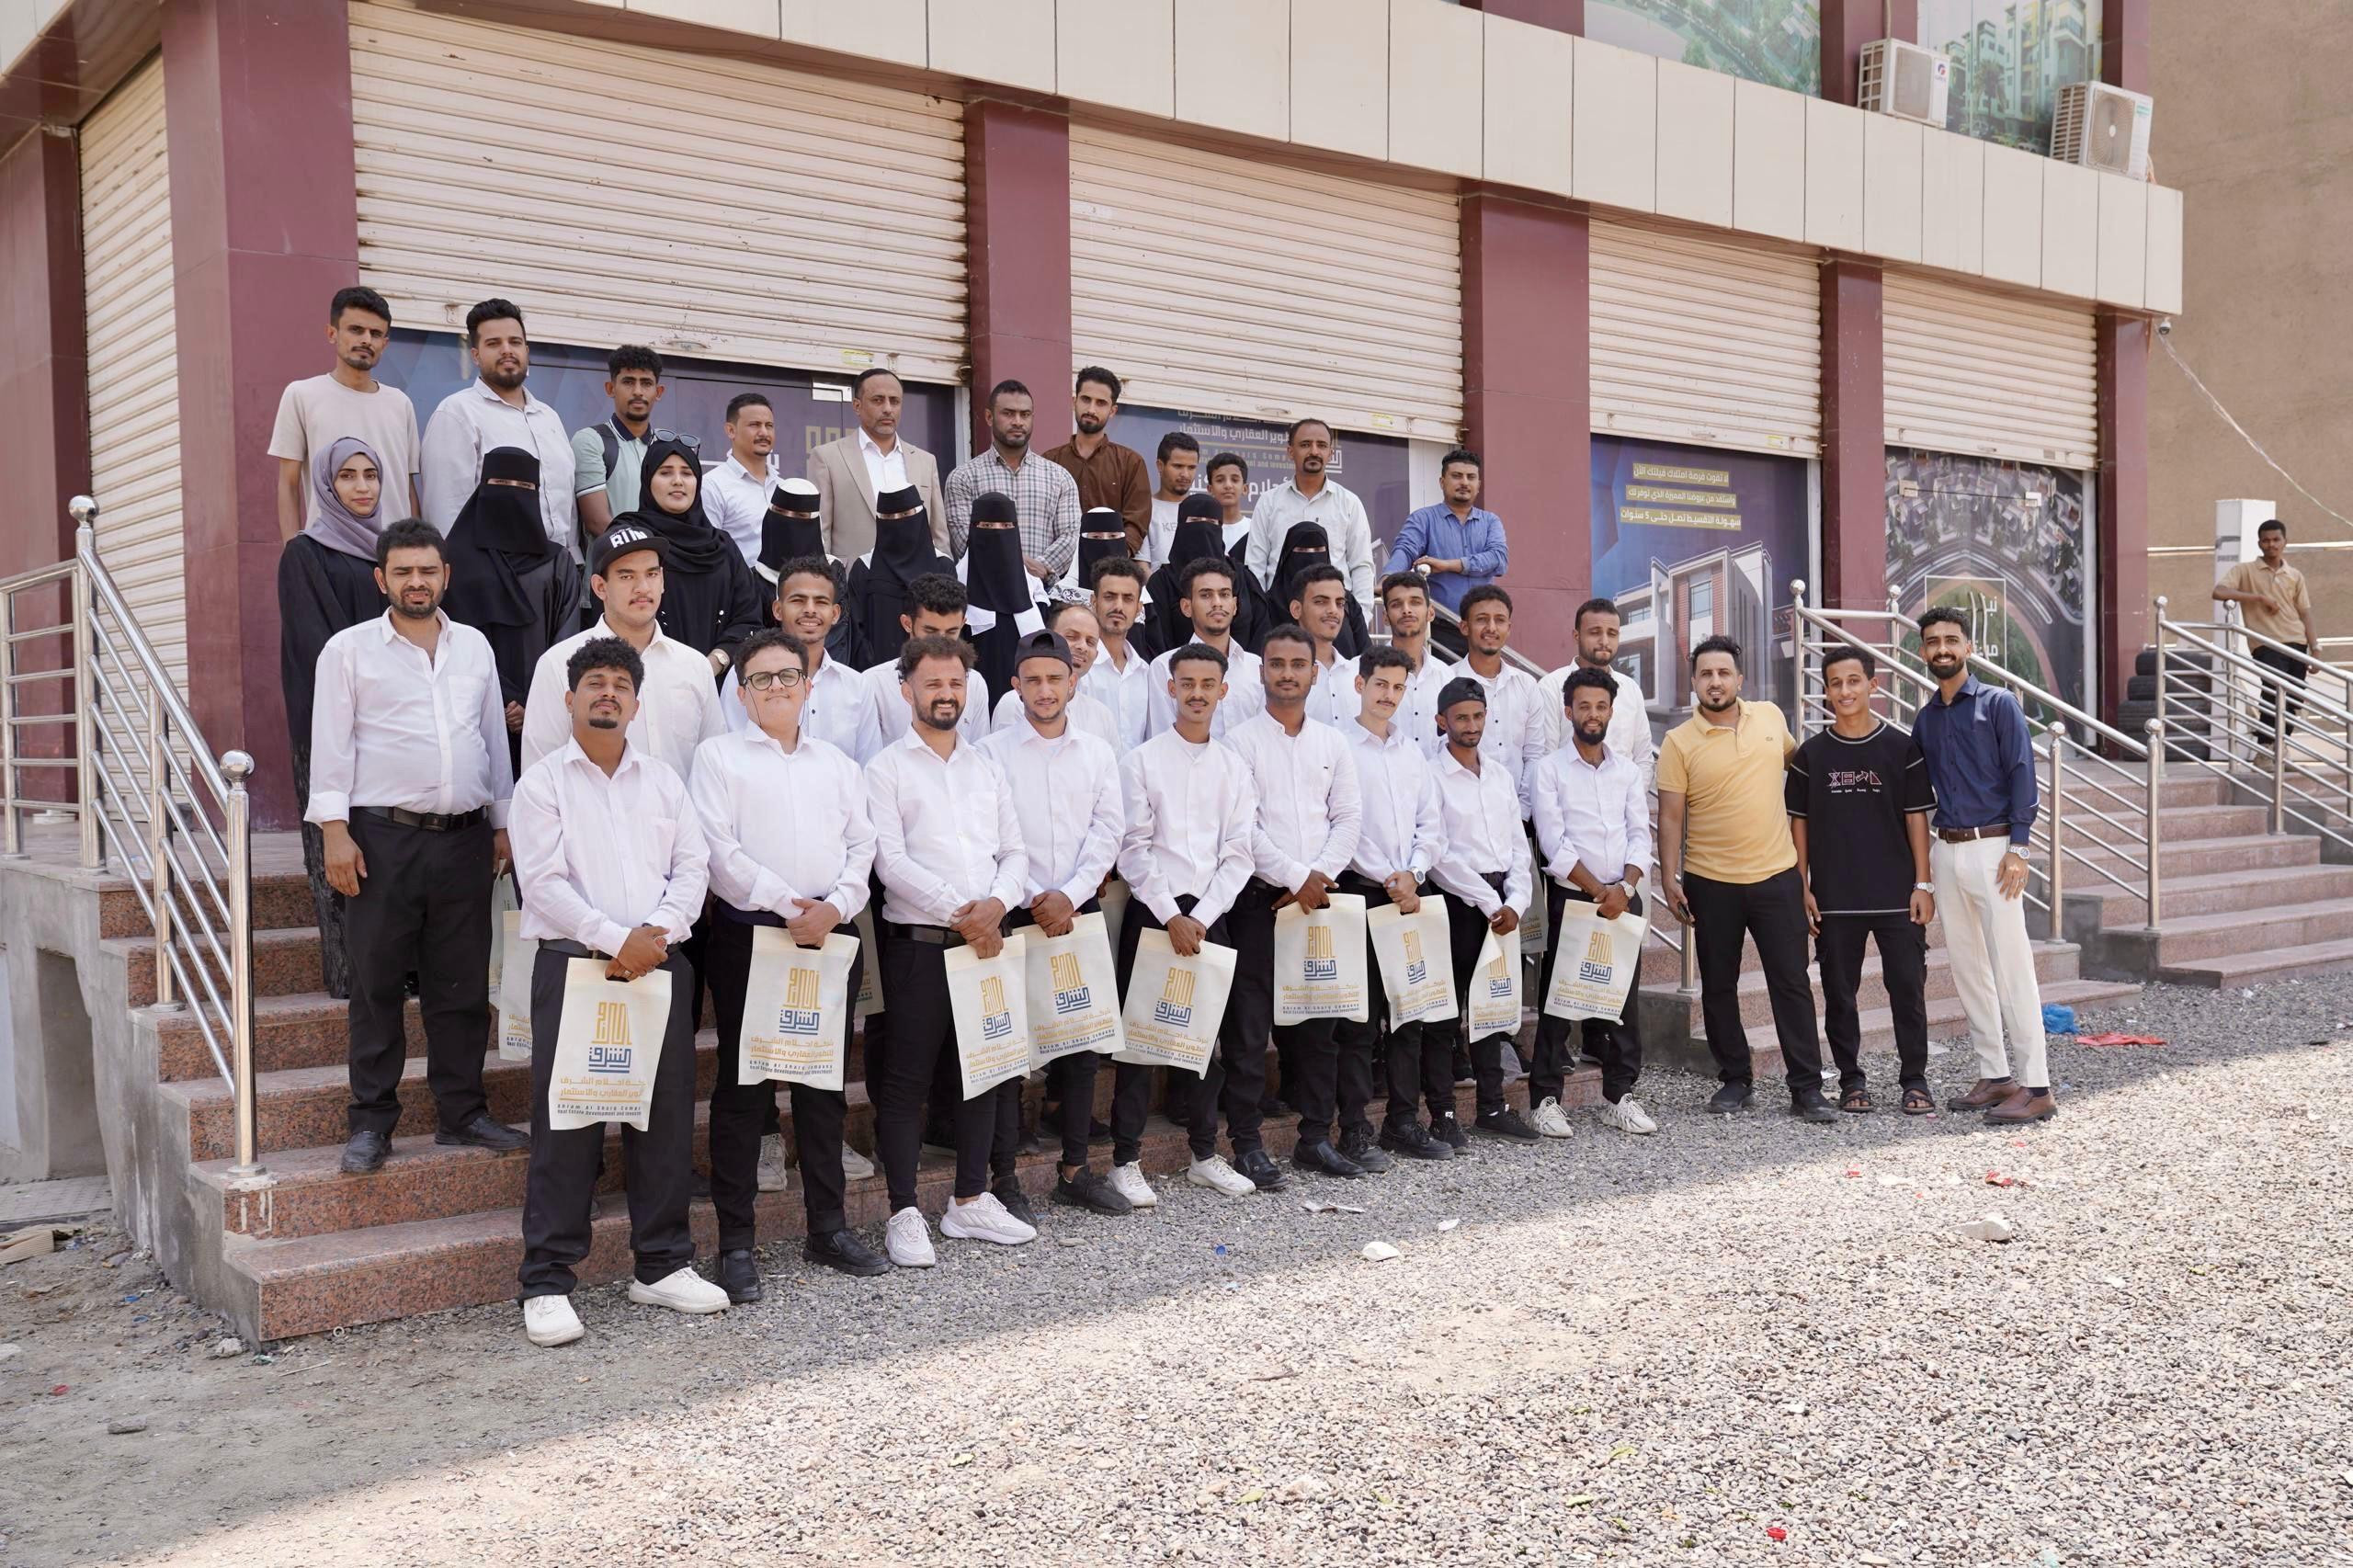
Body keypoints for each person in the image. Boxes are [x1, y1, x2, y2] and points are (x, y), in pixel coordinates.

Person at [510, 636, 723, 1346]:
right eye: (594, 683)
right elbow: (542, 883)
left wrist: (655, 934)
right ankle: (546, 1280)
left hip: (657, 964)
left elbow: (693, 866)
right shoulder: (542, 783)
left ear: (636, 701)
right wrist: (614, 938)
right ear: (570, 698)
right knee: (567, 1127)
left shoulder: (663, 781)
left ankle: (660, 1264)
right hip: (577, 967)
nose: (608, 693)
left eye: (620, 685)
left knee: (663, 1120)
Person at [305, 518, 526, 1176]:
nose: (417, 582)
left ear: (445, 575)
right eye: (403, 571)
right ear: (382, 579)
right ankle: (371, 1122)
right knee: (376, 985)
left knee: (461, 986)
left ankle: (462, 1114)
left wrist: (503, 822)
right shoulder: (347, 651)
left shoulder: (475, 647)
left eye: (427, 570)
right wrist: (334, 831)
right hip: (382, 840)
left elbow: (492, 741)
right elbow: (330, 745)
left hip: (464, 841)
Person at [690, 629, 888, 1301]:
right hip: (752, 937)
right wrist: (786, 905)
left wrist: (833, 908)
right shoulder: (718, 758)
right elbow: (719, 851)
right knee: (744, 1091)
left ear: (807, 687)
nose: (775, 687)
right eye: (761, 679)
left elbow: (862, 846)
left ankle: (827, 1229)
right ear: (742, 693)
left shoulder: (837, 764)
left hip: (829, 935)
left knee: (822, 1086)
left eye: (787, 677)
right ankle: (736, 1244)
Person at [865, 634, 1039, 1265]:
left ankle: (970, 1199)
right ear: (906, 689)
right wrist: (962, 914)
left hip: (985, 944)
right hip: (918, 948)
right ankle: (903, 1211)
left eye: (956, 684)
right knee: (905, 1082)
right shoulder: (885, 769)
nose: (946, 694)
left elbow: (1014, 851)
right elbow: (889, 861)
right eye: (933, 683)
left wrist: (997, 904)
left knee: (983, 1073)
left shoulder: (985, 766)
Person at [979, 629, 1133, 1218]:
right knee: (1008, 1048)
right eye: (1033, 680)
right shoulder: (991, 753)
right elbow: (991, 834)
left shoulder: (1095, 752)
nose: (1045, 690)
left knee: (1080, 1042)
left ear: (1073, 682)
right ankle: (1004, 1179)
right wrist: (1028, 897)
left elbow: (1107, 829)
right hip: (1012, 910)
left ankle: (1075, 1169)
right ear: (1015, 686)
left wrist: (1069, 895)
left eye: (1055, 678)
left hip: (1076, 909)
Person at [1657, 637, 1835, 1122]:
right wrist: (1669, 878)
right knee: (1718, 986)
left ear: (1740, 679)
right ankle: (1735, 1078)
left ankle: (1807, 1087)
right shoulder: (1678, 742)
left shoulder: (1770, 718)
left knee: (1791, 983)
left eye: (1723, 673)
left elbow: (1801, 772)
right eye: (1705, 674)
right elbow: (1670, 817)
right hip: (1710, 882)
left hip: (1777, 877)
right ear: (1694, 682)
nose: (1715, 682)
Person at [1112, 642, 1259, 1202]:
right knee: (1140, 1043)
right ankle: (1125, 1160)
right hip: (1155, 912)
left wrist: (1199, 917)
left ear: (1223, 691)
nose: (1198, 694)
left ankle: (1204, 1154)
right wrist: (1171, 914)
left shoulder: (1233, 767)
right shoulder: (1142, 761)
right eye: (1187, 684)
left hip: (1209, 916)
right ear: (1171, 688)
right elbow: (1134, 848)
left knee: (1204, 1041)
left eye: (1208, 685)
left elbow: (1239, 854)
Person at [1225, 626, 1365, 1180]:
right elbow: (1243, 827)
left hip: (1317, 901)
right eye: (1277, 664)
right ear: (1262, 670)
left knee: (1319, 1026)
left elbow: (1348, 818)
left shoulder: (1333, 743)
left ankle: (1314, 1137)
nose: (1287, 673)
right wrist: (1294, 877)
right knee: (1249, 1026)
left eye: (1297, 665)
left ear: (1314, 672)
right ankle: (1246, 1142)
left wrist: (1317, 878)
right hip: (1258, 900)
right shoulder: (1238, 742)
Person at [1914, 608, 2057, 1125]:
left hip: (1996, 851)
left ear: (1968, 647)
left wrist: (2020, 847)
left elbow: (2023, 774)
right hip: (1946, 850)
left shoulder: (1999, 704)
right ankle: (1996, 1074)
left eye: (1951, 640)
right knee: (1968, 968)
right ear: (1923, 651)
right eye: (1933, 641)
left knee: (2012, 967)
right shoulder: (1926, 719)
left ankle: (2037, 1087)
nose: (1942, 649)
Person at [1787, 645, 1937, 1117]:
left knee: (1908, 990)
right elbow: (1799, 825)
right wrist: (1803, 885)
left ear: (1873, 685)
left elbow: (1916, 818)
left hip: (1897, 895)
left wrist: (1924, 883)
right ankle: (1851, 1080)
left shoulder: (1902, 748)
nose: (1845, 691)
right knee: (1839, 995)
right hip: (1835, 897)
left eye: (1854, 681)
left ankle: (1915, 1079)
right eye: (1836, 683)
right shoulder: (1811, 755)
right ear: (1826, 691)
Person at [278, 437, 392, 1000]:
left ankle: (397, 969)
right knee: (339, 854)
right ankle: (350, 975)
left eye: (371, 475)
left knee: (386, 857)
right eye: (347, 476)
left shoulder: (391, 552)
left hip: (390, 732)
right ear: (325, 484)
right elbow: (313, 645)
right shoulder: (305, 553)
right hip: (328, 731)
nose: (362, 486)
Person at [1529, 668, 1657, 1137]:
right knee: (1559, 1000)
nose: (1593, 714)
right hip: (1575, 898)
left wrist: (1625, 888)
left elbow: (1640, 836)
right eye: (1584, 706)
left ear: (1611, 712)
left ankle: (1619, 1096)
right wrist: (1600, 893)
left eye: (1601, 706)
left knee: (1622, 1001)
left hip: (1624, 897)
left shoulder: (1627, 771)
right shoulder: (1549, 769)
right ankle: (1544, 1100)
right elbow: (1553, 843)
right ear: (1568, 712)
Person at [1337, 645, 1453, 1165]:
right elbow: (1342, 825)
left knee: (1411, 1014)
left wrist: (1415, 873)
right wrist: (1390, 877)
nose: (1388, 695)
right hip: (1363, 892)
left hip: (1411, 894)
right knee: (1360, 1022)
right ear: (1359, 684)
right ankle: (1354, 1128)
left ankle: (1403, 1122)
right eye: (1380, 684)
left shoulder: (1412, 754)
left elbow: (1432, 824)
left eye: (1398, 687)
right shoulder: (1340, 748)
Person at [520, 523, 725, 779]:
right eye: (627, 576)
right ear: (600, 587)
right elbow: (539, 773)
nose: (643, 587)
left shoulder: (694, 665)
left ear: (663, 580)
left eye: (652, 574)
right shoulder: (559, 663)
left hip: (682, 807)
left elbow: (714, 768)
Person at [1430, 677, 1535, 1145]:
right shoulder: (1431, 776)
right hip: (1456, 902)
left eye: (1477, 716)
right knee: (1443, 1013)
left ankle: (1493, 1106)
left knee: (1491, 1010)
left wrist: (1516, 901)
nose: (1470, 725)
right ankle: (1442, 1113)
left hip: (1501, 903)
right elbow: (1438, 854)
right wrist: (1490, 902)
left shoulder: (1498, 775)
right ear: (1442, 721)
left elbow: (1517, 846)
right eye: (1461, 718)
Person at [441, 448, 583, 777]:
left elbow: (568, 639)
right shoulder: (452, 562)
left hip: (545, 711)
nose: (512, 494)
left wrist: (534, 703)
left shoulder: (556, 562)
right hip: (471, 708)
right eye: (501, 483)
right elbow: (449, 635)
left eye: (524, 487)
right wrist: (503, 700)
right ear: (483, 488)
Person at [419, 299, 578, 558]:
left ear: (526, 350)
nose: (507, 350)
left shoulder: (549, 418)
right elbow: (445, 512)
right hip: (497, 569)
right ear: (475, 355)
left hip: (560, 568)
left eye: (515, 342)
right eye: (494, 343)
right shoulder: (457, 413)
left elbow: (566, 504)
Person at [269, 285, 420, 541]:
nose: (366, 340)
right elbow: (288, 484)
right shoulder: (302, 395)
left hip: (395, 552)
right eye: (356, 330)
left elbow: (407, 488)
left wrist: (416, 549)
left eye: (375, 333)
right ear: (332, 333)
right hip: (329, 549)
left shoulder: (400, 403)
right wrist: (293, 554)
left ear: (384, 344)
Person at [630, 437, 767, 671]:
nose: (678, 481)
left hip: (716, 682)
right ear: (647, 480)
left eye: (687, 473)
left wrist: (713, 664)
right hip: (645, 678)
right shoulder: (630, 540)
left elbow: (748, 618)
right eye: (665, 473)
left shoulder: (722, 546)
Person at [722, 555, 875, 756]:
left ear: (835, 614)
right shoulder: (744, 674)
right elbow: (730, 752)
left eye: (821, 602)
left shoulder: (857, 687)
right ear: (778, 609)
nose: (810, 610)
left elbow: (866, 764)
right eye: (798, 600)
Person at [945, 381, 1082, 583]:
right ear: (989, 417)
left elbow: (1071, 536)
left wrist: (1041, 567)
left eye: (1025, 414)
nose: (1018, 422)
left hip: (1042, 593)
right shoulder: (964, 478)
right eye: (1008, 413)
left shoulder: (1059, 477)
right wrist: (1020, 567)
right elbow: (964, 542)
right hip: (983, 592)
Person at [805, 368, 949, 559]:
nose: (888, 409)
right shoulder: (827, 457)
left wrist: (943, 573)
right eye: (878, 400)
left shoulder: (925, 461)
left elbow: (939, 536)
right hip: (854, 575)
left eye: (894, 401)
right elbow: (819, 533)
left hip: (919, 575)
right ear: (857, 406)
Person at [1245, 419, 1376, 619]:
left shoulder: (1349, 503)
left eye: (1321, 445)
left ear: (1331, 453)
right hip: (1279, 616)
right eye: (1305, 444)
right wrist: (1261, 618)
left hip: (1336, 617)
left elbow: (1362, 566)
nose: (1314, 451)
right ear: (1290, 451)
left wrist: (1360, 619)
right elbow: (1255, 566)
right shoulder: (1269, 502)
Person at [853, 574, 992, 760]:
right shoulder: (873, 684)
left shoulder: (975, 683)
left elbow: (978, 757)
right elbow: (869, 760)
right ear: (907, 623)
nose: (941, 642)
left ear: (963, 624)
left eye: (951, 632)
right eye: (931, 631)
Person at [2213, 517, 2319, 749]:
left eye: (2276, 540)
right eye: (2266, 540)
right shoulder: (2245, 570)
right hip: (2266, 644)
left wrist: (2316, 648)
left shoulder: (2294, 575)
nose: (2271, 544)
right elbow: (2219, 592)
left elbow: (2305, 613)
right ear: (2259, 543)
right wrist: (2258, 598)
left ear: (2285, 542)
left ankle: (2280, 748)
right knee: (2274, 692)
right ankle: (2265, 748)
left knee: (2293, 698)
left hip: (2297, 641)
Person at [1539, 598, 1655, 793]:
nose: (1604, 641)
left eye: (1612, 634)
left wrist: (1630, 801)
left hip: (1623, 806)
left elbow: (1643, 758)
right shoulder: (1551, 686)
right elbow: (1545, 756)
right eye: (1595, 633)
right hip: (1569, 803)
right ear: (1576, 636)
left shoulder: (1630, 689)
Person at [1385, 449, 1507, 632]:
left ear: (1479, 484)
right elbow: (1405, 549)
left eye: (1471, 477)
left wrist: (1448, 565)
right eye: (1457, 476)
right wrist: (1388, 579)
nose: (1464, 482)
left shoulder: (1491, 521)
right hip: (1441, 628)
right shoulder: (1424, 519)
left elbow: (1498, 559)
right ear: (1442, 482)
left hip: (1483, 628)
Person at [1145, 558, 1265, 739]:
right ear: (1186, 607)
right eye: (1206, 595)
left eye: (1224, 594)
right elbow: (1162, 740)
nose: (1217, 603)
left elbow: (1264, 737)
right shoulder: (1164, 668)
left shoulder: (1256, 666)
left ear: (1235, 605)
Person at [1450, 585, 1546, 809]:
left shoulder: (1527, 685)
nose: (1491, 628)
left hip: (1519, 813)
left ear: (1509, 628)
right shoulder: (1447, 682)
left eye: (1500, 620)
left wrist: (1522, 811)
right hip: (1465, 812)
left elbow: (1534, 754)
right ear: (1464, 627)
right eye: (1482, 619)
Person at [843, 485, 956, 669]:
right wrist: (876, 673)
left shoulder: (942, 566)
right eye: (889, 517)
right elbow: (856, 631)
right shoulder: (865, 568)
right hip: (876, 676)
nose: (897, 522)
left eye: (905, 515)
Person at [1146, 496, 1275, 656]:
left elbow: (1262, 630)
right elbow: (1157, 640)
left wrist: (1244, 665)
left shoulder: (1243, 577)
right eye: (1195, 520)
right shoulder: (1161, 582)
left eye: (1211, 522)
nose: (1204, 528)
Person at [1042, 366, 1150, 554]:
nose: (1091, 409)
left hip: (1111, 565)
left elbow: (1136, 522)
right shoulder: (1049, 462)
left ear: (1112, 411)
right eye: (1086, 399)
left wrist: (1117, 558)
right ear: (1074, 401)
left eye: (1101, 403)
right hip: (1056, 565)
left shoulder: (1130, 463)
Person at [568, 345, 665, 539]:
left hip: (663, 558)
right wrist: (645, 551)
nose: (638, 391)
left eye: (646, 383)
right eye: (628, 382)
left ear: (659, 392)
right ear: (610, 388)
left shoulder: (666, 446)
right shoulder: (591, 441)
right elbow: (598, 522)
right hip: (613, 558)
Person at [991, 602, 1119, 746]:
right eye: (1072, 636)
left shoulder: (1102, 716)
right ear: (1048, 638)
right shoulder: (1013, 704)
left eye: (1090, 642)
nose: (1082, 647)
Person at [961, 491, 1044, 701]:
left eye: (1006, 526)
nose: (997, 533)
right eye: (988, 526)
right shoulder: (957, 591)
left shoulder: (1036, 593)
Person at [699, 392, 786, 567]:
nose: (764, 432)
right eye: (754, 425)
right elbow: (708, 553)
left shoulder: (784, 487)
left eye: (769, 426)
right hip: (738, 583)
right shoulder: (712, 486)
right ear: (731, 430)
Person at [1378, 571, 1454, 755]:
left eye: (1415, 602)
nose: (1406, 610)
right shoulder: (1365, 672)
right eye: (1397, 604)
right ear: (1385, 617)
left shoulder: (1446, 676)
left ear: (1431, 612)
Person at [1085, 555, 1154, 746]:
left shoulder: (1145, 672)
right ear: (1094, 602)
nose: (1118, 607)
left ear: (1139, 608)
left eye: (1128, 599)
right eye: (1109, 597)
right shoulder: (1080, 669)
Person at [1274, 523, 1370, 658]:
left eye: (1318, 550)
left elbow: (1366, 654)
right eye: (1302, 550)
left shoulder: (1347, 601)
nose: (1333, 610)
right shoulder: (1269, 604)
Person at [1286, 563, 1361, 727]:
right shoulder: (1281, 677)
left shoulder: (1359, 673)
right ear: (1296, 609)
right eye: (1321, 602)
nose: (1333, 610)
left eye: (1340, 603)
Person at [1143, 431, 1201, 562]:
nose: (1185, 474)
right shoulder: (1144, 509)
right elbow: (1142, 565)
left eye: (1191, 467)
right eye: (1178, 466)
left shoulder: (1202, 511)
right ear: (1160, 466)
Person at [1204, 452, 1255, 557]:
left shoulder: (1255, 529)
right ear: (1210, 489)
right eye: (1220, 480)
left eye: (1235, 480)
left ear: (1245, 489)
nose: (1228, 485)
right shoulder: (1204, 530)